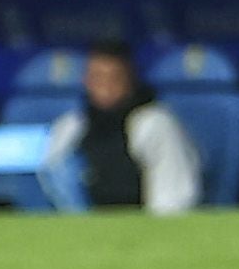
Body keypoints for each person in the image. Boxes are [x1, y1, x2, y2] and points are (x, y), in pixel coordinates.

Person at [40, 40, 202, 213]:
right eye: (97, 78)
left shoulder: (154, 124)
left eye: (114, 78)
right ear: (86, 81)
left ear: (130, 81)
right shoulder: (70, 127)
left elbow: (172, 202)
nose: (105, 87)